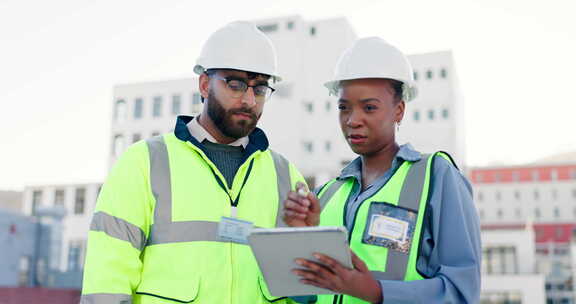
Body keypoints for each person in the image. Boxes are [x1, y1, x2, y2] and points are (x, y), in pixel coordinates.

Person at [81, 21, 306, 304]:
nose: (249, 99)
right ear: (204, 84)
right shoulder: (145, 162)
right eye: (235, 84)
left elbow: (304, 290)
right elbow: (107, 278)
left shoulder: (285, 174)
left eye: (260, 89)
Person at [283, 37, 481, 303]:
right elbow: (305, 297)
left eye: (369, 107)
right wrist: (301, 237)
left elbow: (461, 292)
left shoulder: (436, 177)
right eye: (344, 108)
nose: (353, 120)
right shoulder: (326, 195)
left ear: (399, 110)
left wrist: (376, 292)